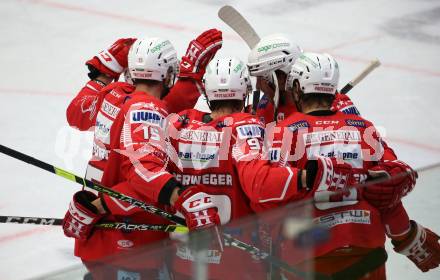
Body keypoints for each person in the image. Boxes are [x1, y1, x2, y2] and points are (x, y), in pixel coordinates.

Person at [258, 52, 439, 278]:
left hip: (308, 256)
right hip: (366, 251)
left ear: (297, 88)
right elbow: (387, 187)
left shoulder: (284, 131)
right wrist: (405, 234)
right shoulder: (362, 127)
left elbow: (270, 196)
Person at [62, 29, 223, 279]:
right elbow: (143, 174)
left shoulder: (113, 95)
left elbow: (77, 113)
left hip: (95, 241)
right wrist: (181, 197)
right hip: (129, 245)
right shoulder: (147, 109)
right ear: (169, 74)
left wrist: (103, 74)